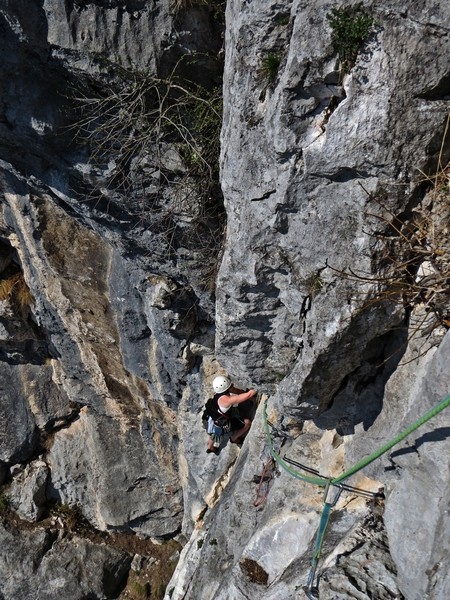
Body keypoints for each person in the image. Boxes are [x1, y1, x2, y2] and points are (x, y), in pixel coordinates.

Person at [206, 375, 257, 454]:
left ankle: (210, 447)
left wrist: (252, 398)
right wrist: (258, 387)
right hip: (222, 424)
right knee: (247, 423)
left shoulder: (219, 393)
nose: (232, 385)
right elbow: (248, 395)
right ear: (227, 387)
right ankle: (234, 438)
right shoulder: (226, 400)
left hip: (214, 418)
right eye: (230, 385)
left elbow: (237, 392)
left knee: (215, 433)